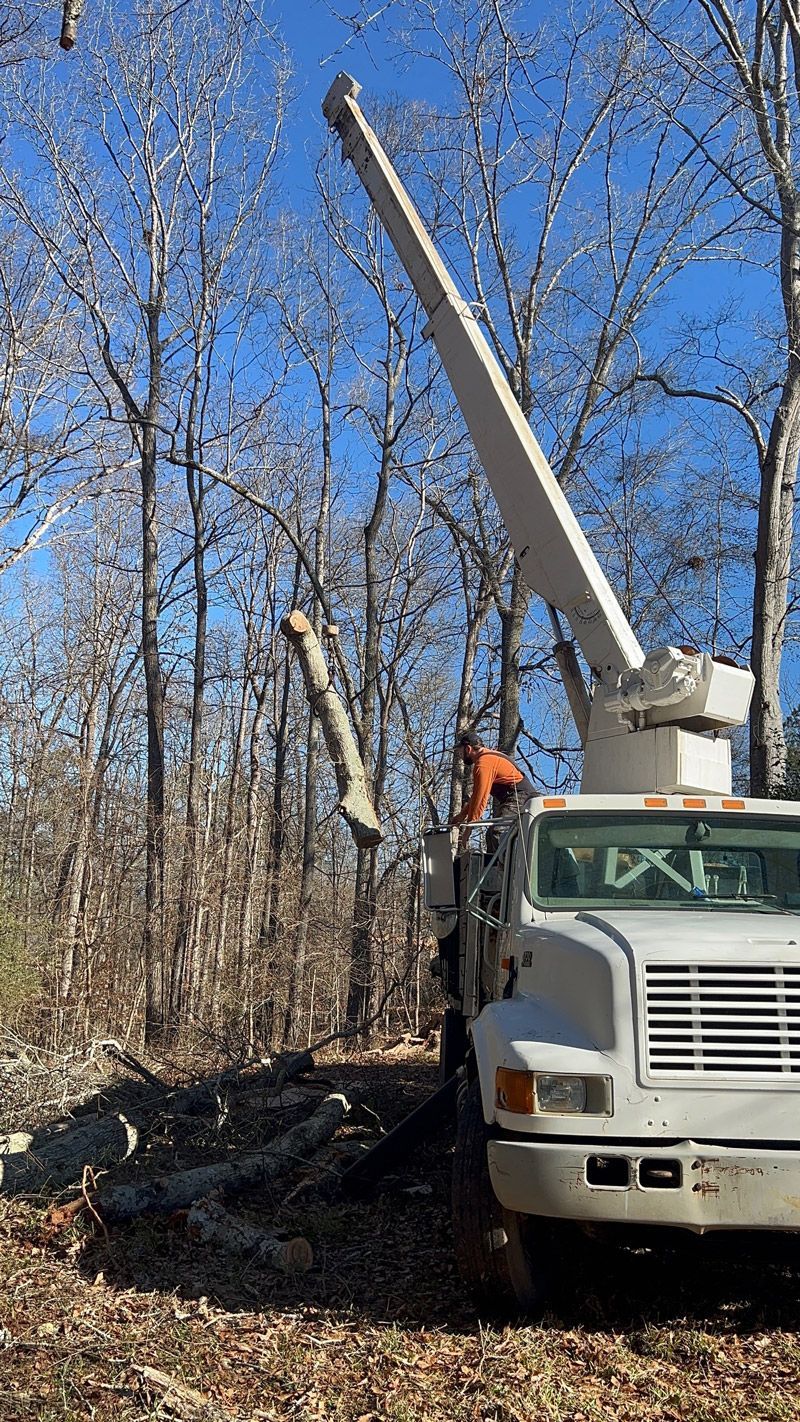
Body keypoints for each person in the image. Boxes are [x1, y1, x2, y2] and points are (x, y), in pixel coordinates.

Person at [451, 730, 535, 841]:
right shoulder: (488, 757)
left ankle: (506, 858)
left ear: (468, 749)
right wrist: (462, 814)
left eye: (461, 753)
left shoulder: (483, 764)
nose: (461, 757)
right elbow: (477, 795)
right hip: (518, 796)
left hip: (521, 796)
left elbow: (481, 798)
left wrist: (469, 827)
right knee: (491, 834)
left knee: (498, 833)